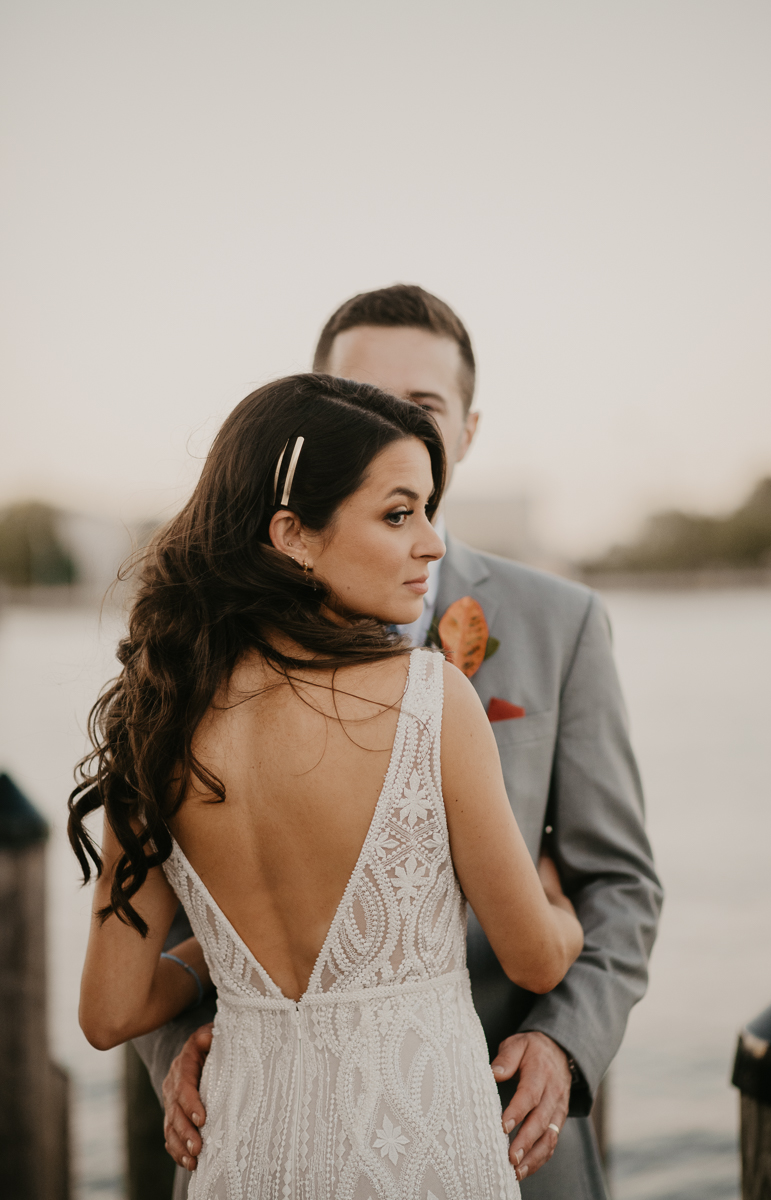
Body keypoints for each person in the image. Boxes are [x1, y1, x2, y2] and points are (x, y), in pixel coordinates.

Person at [144, 286, 663, 1198]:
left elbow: (619, 882)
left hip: (498, 1136)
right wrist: (169, 1048)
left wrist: (563, 1042)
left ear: (464, 430)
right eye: (352, 399)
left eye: (418, 407)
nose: (383, 421)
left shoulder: (560, 623)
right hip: (262, 1127)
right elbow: (167, 886)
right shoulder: (198, 660)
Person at [69, 372, 586, 1199]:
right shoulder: (428, 699)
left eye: (426, 509)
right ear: (293, 535)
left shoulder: (156, 719)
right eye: (397, 513)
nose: (433, 543)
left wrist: (225, 957)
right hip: (424, 1155)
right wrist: (556, 902)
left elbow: (110, 1012)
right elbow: (531, 960)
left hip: (244, 1161)